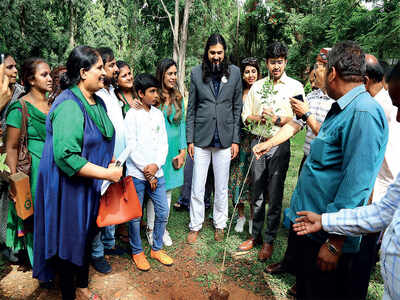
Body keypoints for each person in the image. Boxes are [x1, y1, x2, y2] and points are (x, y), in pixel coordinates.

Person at [258, 41, 387, 300]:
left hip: (327, 238)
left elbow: (358, 185)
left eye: (323, 69)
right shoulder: (342, 107)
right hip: (313, 231)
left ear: (333, 73)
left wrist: (335, 241)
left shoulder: (363, 113)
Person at [33, 45, 122, 300]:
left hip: (88, 185)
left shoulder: (98, 101)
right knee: (69, 241)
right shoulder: (69, 105)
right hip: (67, 188)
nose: (104, 73)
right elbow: (66, 156)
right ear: (83, 73)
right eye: (99, 69)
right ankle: (71, 293)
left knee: (84, 237)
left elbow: (101, 136)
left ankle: (82, 287)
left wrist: (110, 160)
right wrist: (106, 174)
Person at [259, 49, 334, 296]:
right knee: (297, 210)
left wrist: (307, 114)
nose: (314, 70)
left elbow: (330, 137)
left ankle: (305, 277)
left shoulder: (339, 102)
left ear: (331, 70)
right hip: (308, 161)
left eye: (319, 66)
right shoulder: (311, 96)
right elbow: (294, 125)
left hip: (327, 169)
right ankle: (290, 262)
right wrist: (268, 143)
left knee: (314, 220)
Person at [238, 42, 304, 261]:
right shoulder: (258, 86)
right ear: (266, 63)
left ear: (285, 62)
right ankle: (255, 235)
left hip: (279, 145)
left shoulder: (295, 87)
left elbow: (299, 121)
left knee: (274, 194)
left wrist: (276, 119)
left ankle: (268, 241)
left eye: (280, 62)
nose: (276, 66)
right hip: (258, 142)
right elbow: (246, 117)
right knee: (256, 192)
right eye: (272, 62)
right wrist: (260, 117)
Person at [186, 33, 242, 243]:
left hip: (225, 139)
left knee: (221, 186)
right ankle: (195, 225)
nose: (216, 57)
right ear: (206, 53)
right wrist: (190, 140)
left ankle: (220, 223)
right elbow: (190, 109)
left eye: (219, 52)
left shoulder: (235, 73)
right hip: (201, 138)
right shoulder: (196, 73)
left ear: (224, 52)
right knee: (198, 185)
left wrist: (235, 139)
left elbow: (237, 108)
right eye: (212, 53)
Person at [5, 57, 53, 267]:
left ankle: (52, 259)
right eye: (44, 75)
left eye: (50, 74)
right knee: (34, 219)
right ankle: (39, 265)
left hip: (55, 171)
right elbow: (11, 148)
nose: (50, 78)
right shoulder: (19, 107)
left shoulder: (54, 104)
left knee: (52, 216)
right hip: (32, 174)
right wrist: (15, 183)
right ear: (31, 80)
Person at [125, 73, 173, 271]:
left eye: (156, 91)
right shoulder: (132, 115)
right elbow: (131, 145)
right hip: (137, 174)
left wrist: (156, 166)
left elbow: (163, 144)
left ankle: (156, 248)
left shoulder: (158, 114)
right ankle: (137, 252)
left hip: (157, 171)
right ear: (140, 93)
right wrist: (147, 172)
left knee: (163, 211)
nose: (156, 95)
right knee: (135, 216)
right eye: (152, 91)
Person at [90, 47, 125, 275]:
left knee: (111, 203)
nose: (115, 69)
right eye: (110, 65)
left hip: (118, 160)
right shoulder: (97, 93)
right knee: (98, 207)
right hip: (103, 161)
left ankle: (109, 244)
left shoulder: (112, 92)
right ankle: (96, 253)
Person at [146, 58, 186, 247]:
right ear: (161, 74)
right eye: (169, 73)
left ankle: (162, 228)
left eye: (175, 73)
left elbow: (183, 124)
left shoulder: (178, 96)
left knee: (168, 190)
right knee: (156, 190)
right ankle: (151, 229)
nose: (173, 77)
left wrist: (183, 149)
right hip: (157, 150)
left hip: (174, 151)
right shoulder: (154, 96)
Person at [229, 57, 261, 233]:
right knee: (238, 178)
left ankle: (252, 218)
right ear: (242, 74)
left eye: (253, 71)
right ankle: (240, 216)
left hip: (257, 140)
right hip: (240, 141)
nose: (250, 75)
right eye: (247, 71)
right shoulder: (238, 93)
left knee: (254, 180)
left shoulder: (263, 91)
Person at [0, 55, 24, 262]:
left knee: (10, 197)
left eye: (16, 66)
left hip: (11, 153)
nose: (15, 70)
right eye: (9, 67)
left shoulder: (21, 93)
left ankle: (11, 243)